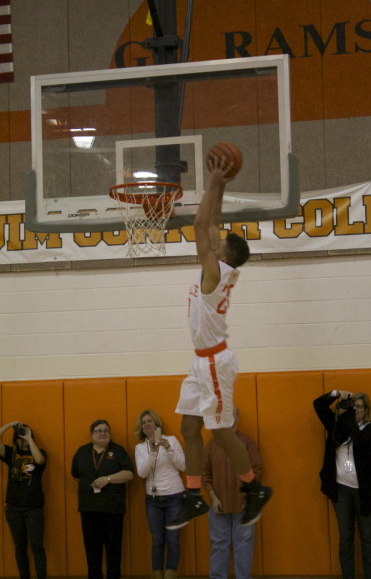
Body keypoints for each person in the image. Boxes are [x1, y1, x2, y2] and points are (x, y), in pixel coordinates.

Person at [167, 155, 272, 531]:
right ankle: (194, 495)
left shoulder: (214, 271)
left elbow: (199, 223)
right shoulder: (220, 266)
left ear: (224, 254)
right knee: (190, 429)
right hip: (201, 361)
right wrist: (224, 184)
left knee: (221, 431)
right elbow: (212, 223)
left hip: (215, 361)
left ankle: (254, 488)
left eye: (220, 242)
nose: (216, 239)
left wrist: (212, 179)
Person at [313, 390, 371, 579]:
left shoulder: (370, 428)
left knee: (367, 537)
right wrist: (336, 394)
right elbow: (318, 404)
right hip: (341, 489)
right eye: (353, 406)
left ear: (366, 410)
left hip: (363, 491)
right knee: (345, 538)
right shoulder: (337, 426)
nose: (355, 410)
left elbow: (360, 444)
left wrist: (348, 417)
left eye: (359, 407)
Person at [201, 407, 263, 579]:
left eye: (233, 415)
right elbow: (205, 474)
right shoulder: (212, 445)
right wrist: (213, 497)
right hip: (218, 506)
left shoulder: (247, 443)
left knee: (244, 545)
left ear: (238, 417)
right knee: (219, 545)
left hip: (244, 507)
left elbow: (257, 470)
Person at [71, 420, 134, 579]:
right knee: (92, 552)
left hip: (113, 510)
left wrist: (108, 479)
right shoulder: (82, 452)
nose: (103, 433)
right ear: (91, 434)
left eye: (106, 430)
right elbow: (76, 476)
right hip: (88, 510)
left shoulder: (118, 450)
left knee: (114, 551)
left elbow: (129, 474)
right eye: (98, 430)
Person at [134, 410, 186, 579]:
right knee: (157, 540)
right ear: (141, 428)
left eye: (150, 421)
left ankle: (170, 575)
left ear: (157, 424)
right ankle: (156, 574)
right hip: (153, 500)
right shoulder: (140, 448)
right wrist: (152, 452)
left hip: (175, 497)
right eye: (144, 423)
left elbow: (183, 466)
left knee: (173, 540)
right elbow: (142, 473)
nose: (147, 424)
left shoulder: (171, 440)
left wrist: (169, 449)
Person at [0, 420, 47, 579]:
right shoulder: (10, 453)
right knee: (20, 547)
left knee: (37, 547)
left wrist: (29, 439)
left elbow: (39, 460)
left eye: (25, 433)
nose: (22, 437)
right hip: (13, 508)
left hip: (34, 508)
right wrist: (9, 425)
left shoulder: (40, 452)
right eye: (20, 435)